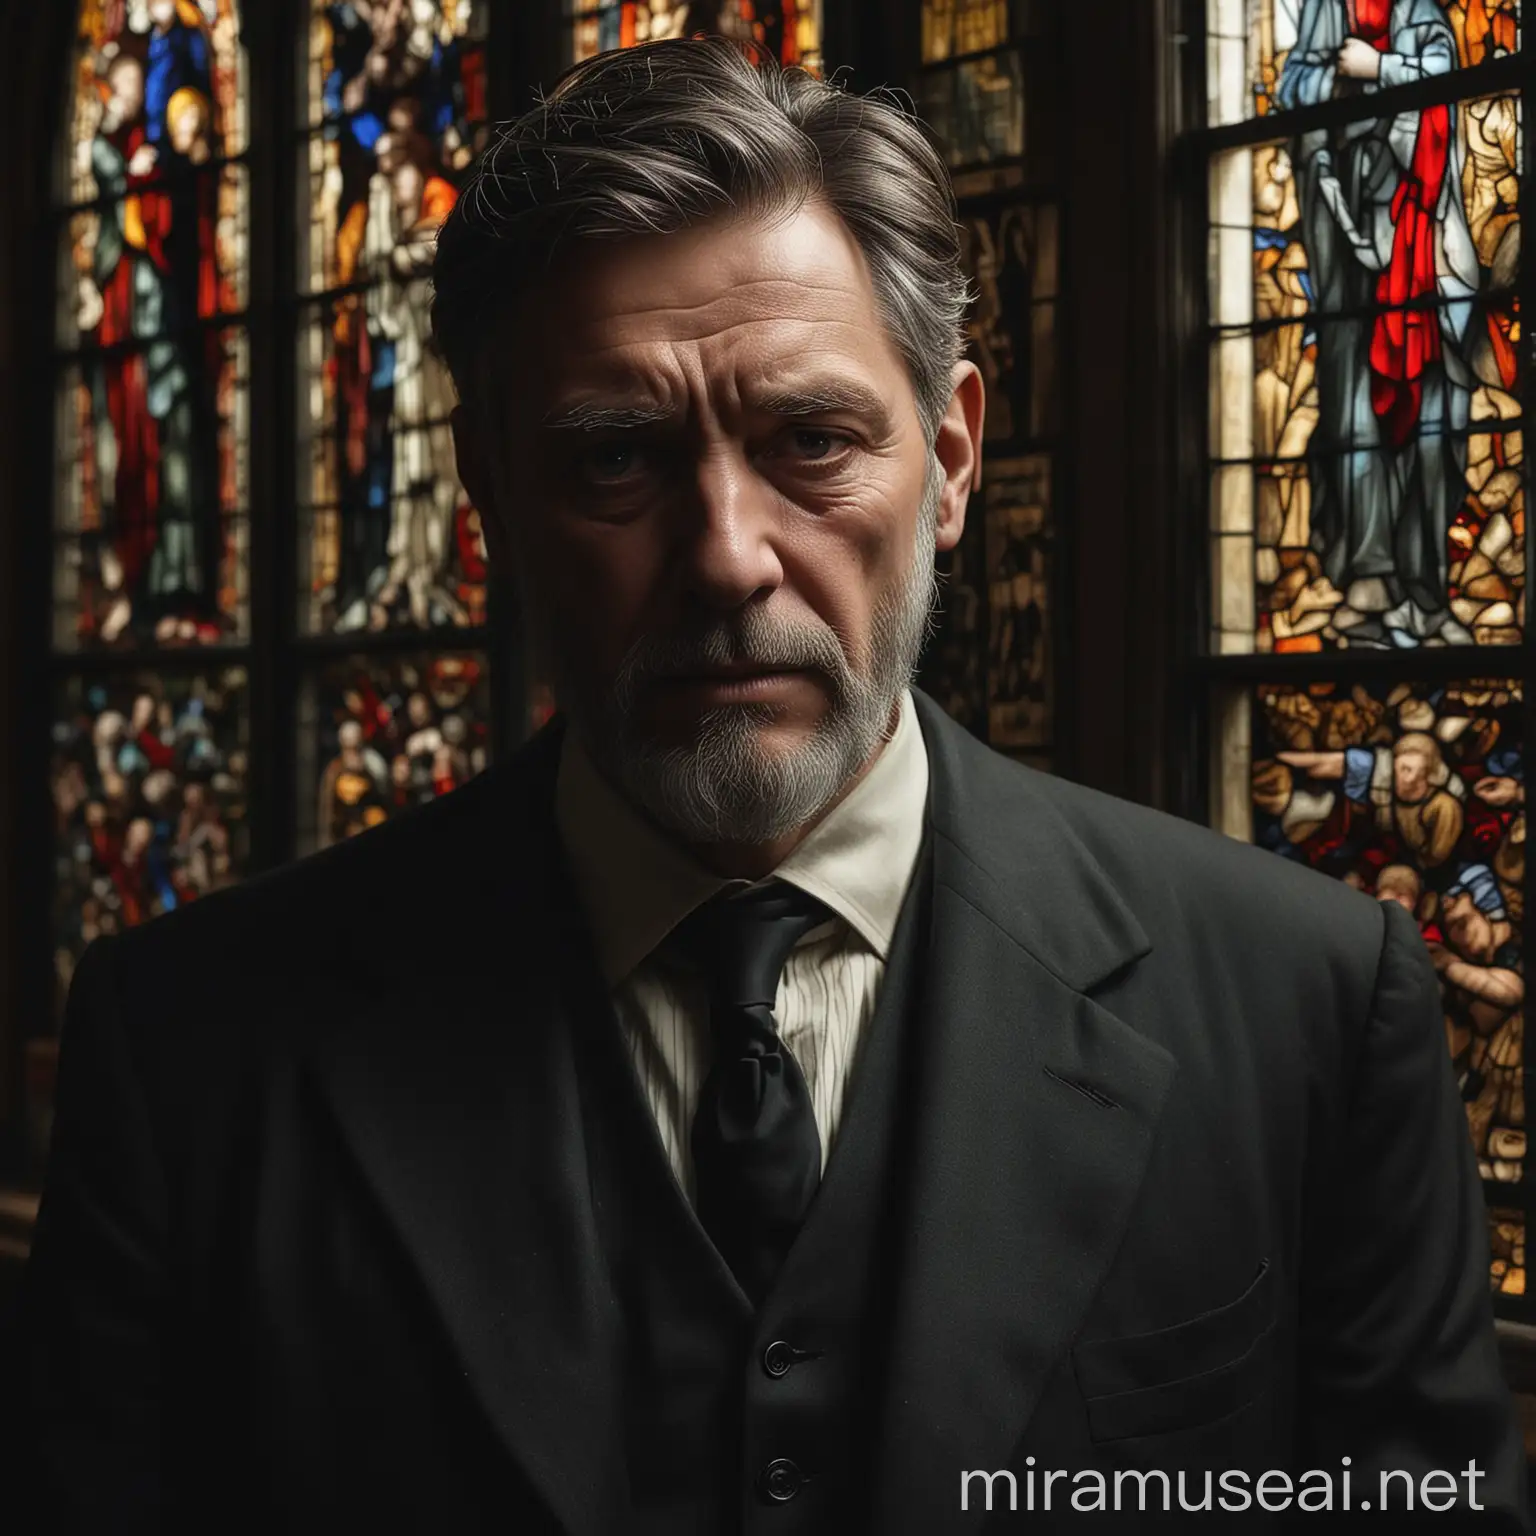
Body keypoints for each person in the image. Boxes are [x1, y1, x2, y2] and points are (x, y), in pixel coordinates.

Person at [8, 36, 1528, 1534]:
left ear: (948, 458)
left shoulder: (1316, 1015)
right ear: (484, 498)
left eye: (812, 439)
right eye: (616, 459)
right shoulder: (190, 1053)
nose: (728, 556)